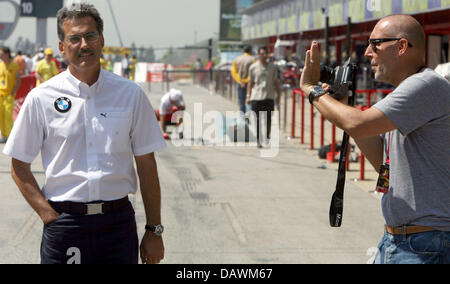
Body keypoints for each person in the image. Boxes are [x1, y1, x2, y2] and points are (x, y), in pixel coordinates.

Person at [3, 3, 166, 264]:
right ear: (62, 46)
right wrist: (49, 217)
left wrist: (154, 230)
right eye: (74, 38)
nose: (83, 44)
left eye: (90, 36)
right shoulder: (41, 98)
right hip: (65, 226)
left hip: (117, 225)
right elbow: (18, 165)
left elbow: (147, 166)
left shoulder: (130, 95)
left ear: (101, 41)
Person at [299, 14, 450, 264]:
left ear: (401, 46)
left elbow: (357, 124)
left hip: (423, 245)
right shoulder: (407, 91)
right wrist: (345, 106)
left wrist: (311, 90)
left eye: (375, 44)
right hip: (402, 240)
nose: (367, 52)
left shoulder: (424, 85)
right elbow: (382, 162)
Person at [246, 46, 280, 148]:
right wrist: (248, 96)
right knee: (257, 120)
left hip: (269, 96)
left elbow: (276, 81)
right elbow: (250, 83)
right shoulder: (253, 67)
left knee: (268, 119)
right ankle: (258, 140)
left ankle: (267, 137)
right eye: (262, 54)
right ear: (258, 55)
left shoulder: (272, 67)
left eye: (266, 53)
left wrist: (278, 95)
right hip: (256, 97)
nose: (264, 56)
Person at [0, 46, 21, 143]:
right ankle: (4, 136)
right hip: (1, 94)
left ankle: (10, 136)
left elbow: (18, 80)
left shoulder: (14, 66)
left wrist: (13, 92)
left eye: (2, 53)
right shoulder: (1, 65)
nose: (0, 55)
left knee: (8, 116)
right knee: (1, 115)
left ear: (7, 54)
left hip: (9, 95)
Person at [231, 45, 255, 116]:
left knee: (241, 102)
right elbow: (254, 72)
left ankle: (242, 119)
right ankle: (248, 118)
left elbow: (233, 72)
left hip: (240, 83)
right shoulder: (253, 59)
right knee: (249, 100)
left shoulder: (237, 59)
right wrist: (247, 80)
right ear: (250, 51)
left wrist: (240, 81)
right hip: (250, 83)